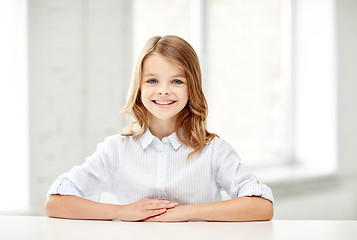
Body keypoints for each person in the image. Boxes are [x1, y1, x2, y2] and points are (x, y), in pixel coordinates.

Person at [45, 35, 274, 222]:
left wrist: (186, 213)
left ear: (191, 87)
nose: (163, 91)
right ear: (139, 87)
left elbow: (262, 206)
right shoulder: (115, 149)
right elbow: (56, 202)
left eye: (176, 81)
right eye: (152, 81)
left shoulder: (214, 150)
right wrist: (121, 212)